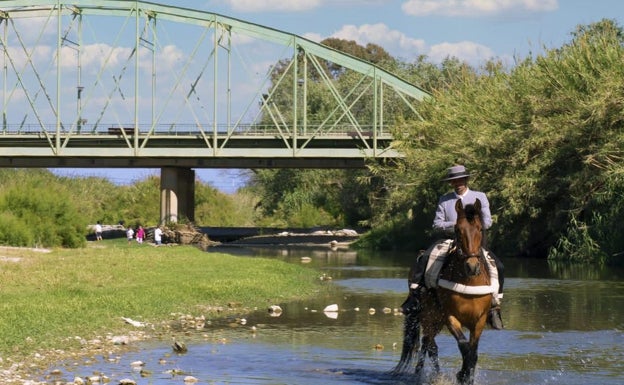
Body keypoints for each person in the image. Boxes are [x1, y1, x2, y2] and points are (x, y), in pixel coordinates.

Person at [402, 164, 505, 330]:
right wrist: (457, 225)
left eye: (461, 179)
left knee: (499, 266)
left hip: (473, 242)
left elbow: (488, 222)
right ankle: (414, 296)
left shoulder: (480, 197)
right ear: (451, 183)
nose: (458, 183)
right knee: (425, 257)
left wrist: (470, 226)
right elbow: (437, 224)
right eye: (455, 180)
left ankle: (495, 306)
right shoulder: (445, 199)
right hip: (450, 240)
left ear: (466, 179)